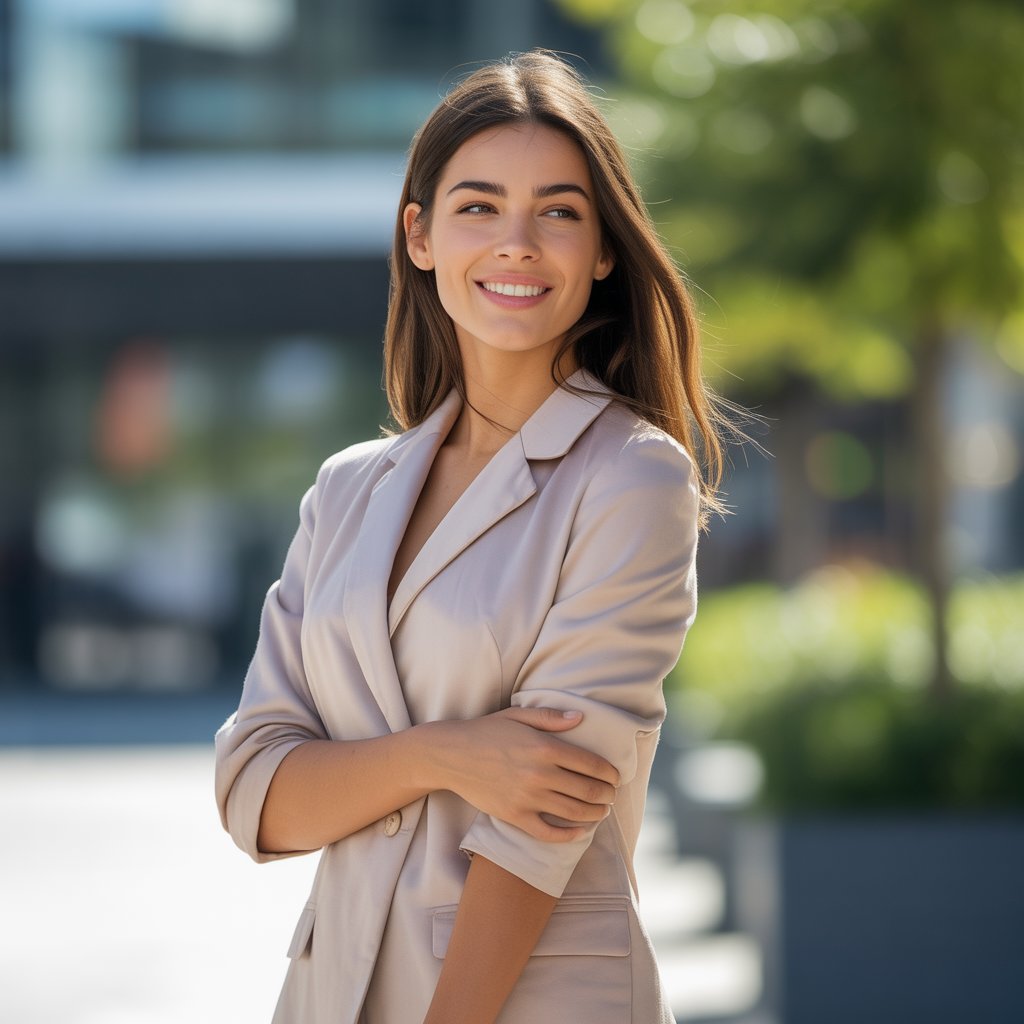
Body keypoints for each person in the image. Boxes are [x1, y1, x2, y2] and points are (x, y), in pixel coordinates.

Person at [215, 49, 725, 1024]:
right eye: (479, 206)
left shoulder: (631, 476)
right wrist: (445, 753)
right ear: (420, 234)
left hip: (524, 999)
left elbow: (543, 819)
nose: (518, 243)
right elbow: (254, 792)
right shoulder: (346, 492)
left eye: (560, 211)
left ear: (604, 248)